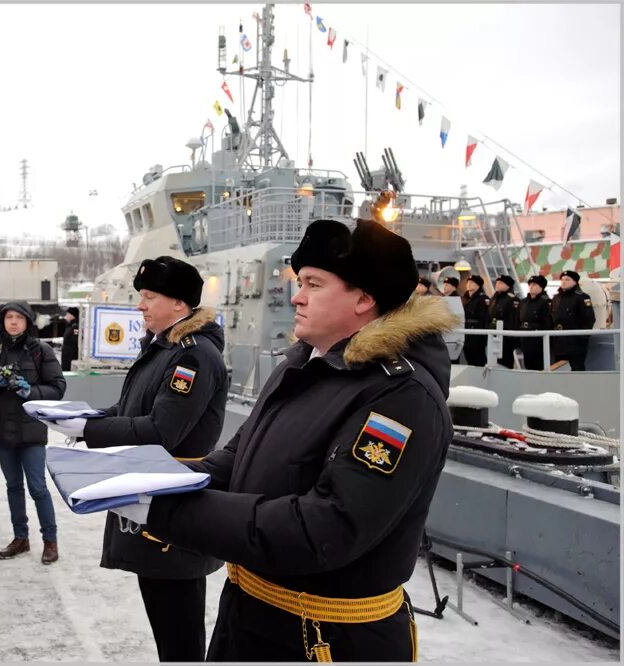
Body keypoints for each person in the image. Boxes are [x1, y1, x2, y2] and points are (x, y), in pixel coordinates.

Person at [130, 218, 458, 662]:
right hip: (251, 618)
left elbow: (324, 527)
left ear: (364, 298)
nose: (296, 297)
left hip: (326, 639)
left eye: (314, 284)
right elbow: (236, 460)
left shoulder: (402, 397)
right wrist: (147, 478)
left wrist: (162, 508)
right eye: (298, 281)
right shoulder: (301, 366)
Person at [48, 255, 228, 663]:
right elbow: (132, 409)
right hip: (150, 493)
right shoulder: (166, 348)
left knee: (178, 630)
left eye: (150, 297)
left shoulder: (192, 356)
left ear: (180, 304)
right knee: (163, 614)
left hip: (173, 501)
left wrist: (88, 432)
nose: (140, 306)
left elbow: (162, 431)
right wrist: (84, 417)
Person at [0, 301, 66, 564]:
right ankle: (20, 537)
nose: (13, 321)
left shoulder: (40, 349)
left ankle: (50, 540)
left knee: (37, 488)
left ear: (27, 321)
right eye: (8, 317)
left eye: (19, 317)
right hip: (2, 429)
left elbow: (58, 387)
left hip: (31, 430)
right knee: (13, 486)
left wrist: (31, 392)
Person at [550, 270, 596, 370]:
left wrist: (582, 338)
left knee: (576, 369)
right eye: (562, 279)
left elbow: (589, 319)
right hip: (559, 342)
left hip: (575, 342)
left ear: (575, 282)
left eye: (567, 279)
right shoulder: (556, 298)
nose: (564, 281)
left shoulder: (582, 297)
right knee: (559, 369)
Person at [518, 275, 552, 370]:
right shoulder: (524, 302)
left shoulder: (546, 302)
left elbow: (548, 322)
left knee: (538, 364)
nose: (531, 286)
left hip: (538, 339)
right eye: (530, 284)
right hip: (524, 336)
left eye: (534, 284)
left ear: (541, 287)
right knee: (527, 363)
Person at [489, 275, 520, 369]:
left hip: (506, 337)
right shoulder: (494, 298)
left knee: (505, 361)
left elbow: (514, 320)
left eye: (501, 283)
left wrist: (512, 338)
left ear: (508, 286)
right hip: (493, 334)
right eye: (497, 282)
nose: (497, 285)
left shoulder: (512, 300)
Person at [461, 275, 490, 366]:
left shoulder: (482, 299)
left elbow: (484, 318)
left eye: (472, 283)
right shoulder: (466, 299)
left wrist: (484, 336)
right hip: (466, 332)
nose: (469, 284)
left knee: (478, 359)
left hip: (477, 335)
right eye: (468, 282)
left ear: (478, 285)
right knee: (469, 357)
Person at [61, 306, 80, 371]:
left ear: (72, 315)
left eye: (68, 314)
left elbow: (75, 341)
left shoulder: (75, 327)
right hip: (66, 354)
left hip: (70, 355)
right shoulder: (69, 325)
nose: (66, 315)